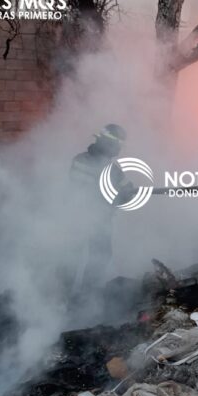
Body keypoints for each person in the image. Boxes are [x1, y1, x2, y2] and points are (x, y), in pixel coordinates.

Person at [69, 123, 132, 294]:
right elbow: (82, 191)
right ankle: (61, 299)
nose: (119, 148)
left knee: (101, 256)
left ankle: (87, 295)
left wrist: (127, 194)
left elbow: (122, 196)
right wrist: (114, 194)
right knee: (70, 259)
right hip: (78, 220)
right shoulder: (82, 161)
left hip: (101, 222)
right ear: (106, 143)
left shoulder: (114, 170)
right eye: (117, 143)